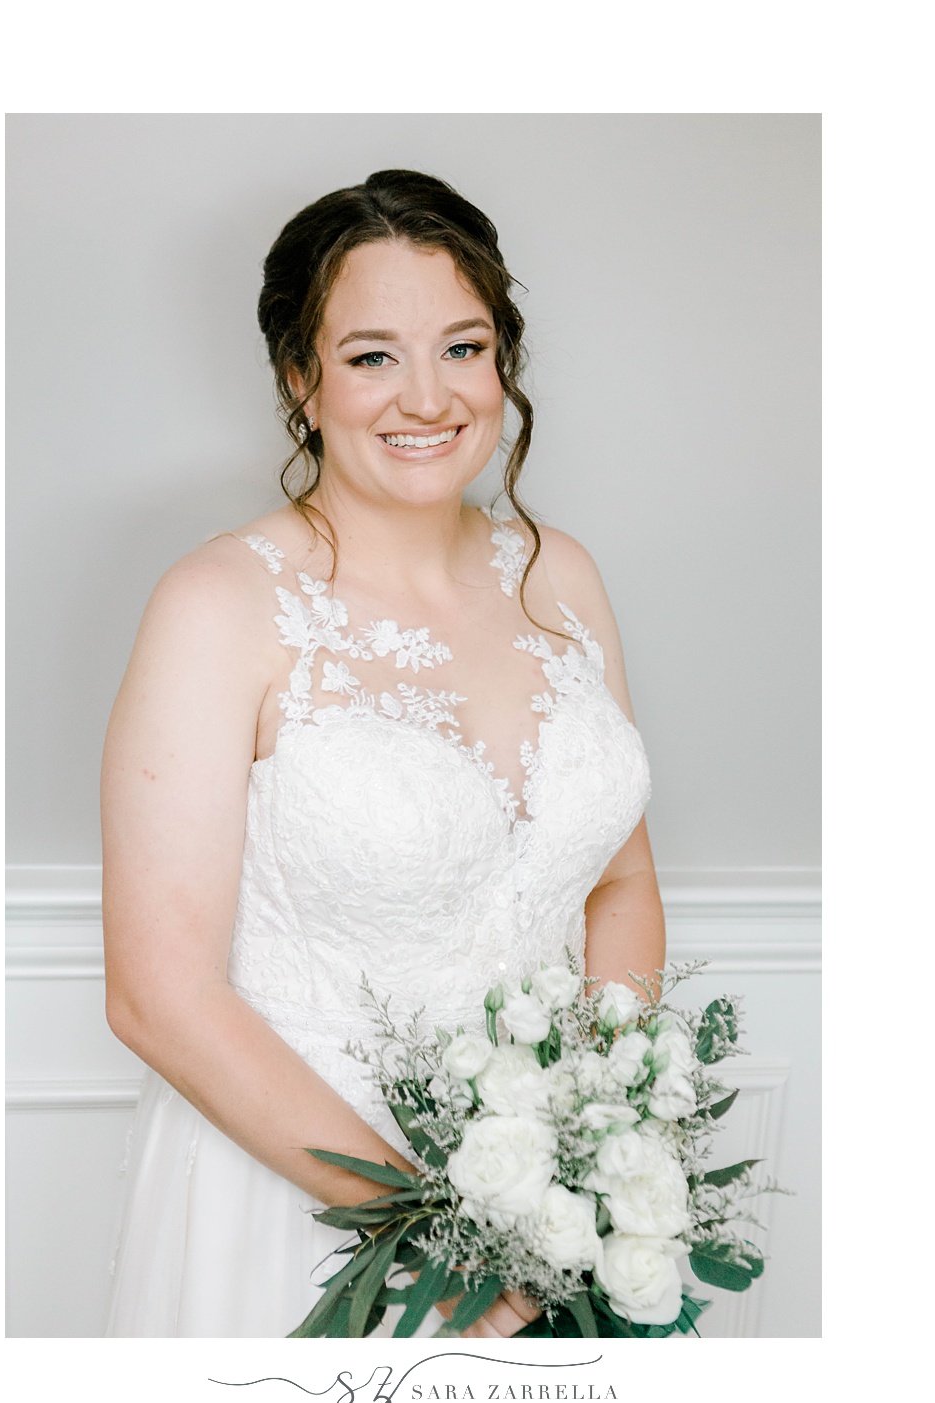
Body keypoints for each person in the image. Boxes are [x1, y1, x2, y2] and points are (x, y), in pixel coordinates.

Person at [101, 169, 664, 1337]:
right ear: (299, 380)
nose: (427, 395)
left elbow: (617, 879)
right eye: (370, 357)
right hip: (303, 1203)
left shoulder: (558, 573)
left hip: (545, 1214)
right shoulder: (219, 604)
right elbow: (158, 995)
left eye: (462, 346)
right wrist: (432, 1234)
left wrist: (602, 1140)